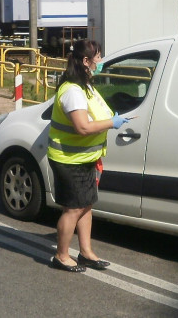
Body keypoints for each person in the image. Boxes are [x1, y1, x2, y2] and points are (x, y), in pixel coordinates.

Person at [48, 39, 128, 272]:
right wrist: (112, 123)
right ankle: (61, 256)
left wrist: (109, 118)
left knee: (85, 205)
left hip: (84, 158)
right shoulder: (73, 90)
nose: (100, 62)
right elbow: (82, 127)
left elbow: (92, 115)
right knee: (73, 209)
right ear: (86, 61)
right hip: (69, 160)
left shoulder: (84, 85)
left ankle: (86, 252)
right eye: (98, 57)